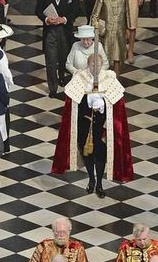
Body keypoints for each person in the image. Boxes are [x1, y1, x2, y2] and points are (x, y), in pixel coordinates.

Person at [52, 54, 133, 194]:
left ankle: (100, 183)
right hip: (84, 123)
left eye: (98, 66)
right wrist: (87, 98)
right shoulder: (80, 78)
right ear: (88, 65)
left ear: (102, 65)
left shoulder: (108, 78)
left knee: (100, 151)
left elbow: (116, 103)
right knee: (87, 151)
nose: (95, 69)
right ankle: (91, 179)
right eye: (92, 66)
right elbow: (72, 101)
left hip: (101, 126)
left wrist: (104, 102)